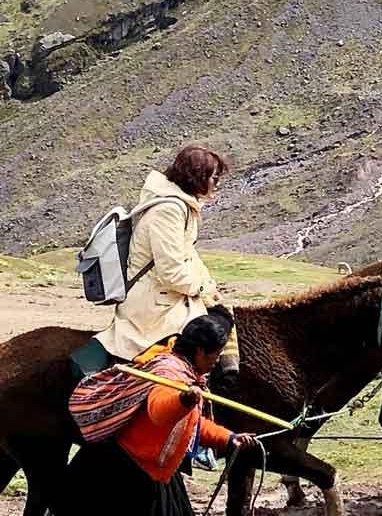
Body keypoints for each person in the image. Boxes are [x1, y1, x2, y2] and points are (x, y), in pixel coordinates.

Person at [60, 307, 254, 515]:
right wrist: (183, 399)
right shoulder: (170, 374)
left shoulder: (187, 373)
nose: (218, 360)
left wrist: (229, 438)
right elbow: (159, 411)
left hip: (152, 474)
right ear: (200, 351)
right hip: (119, 476)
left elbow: (190, 423)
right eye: (216, 354)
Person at [97, 145, 238, 383]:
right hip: (153, 301)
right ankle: (186, 391)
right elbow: (170, 271)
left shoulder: (180, 205)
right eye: (214, 178)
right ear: (198, 177)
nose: (217, 184)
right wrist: (202, 290)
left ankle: (228, 376)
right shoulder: (168, 210)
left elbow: (186, 255)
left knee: (224, 313)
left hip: (161, 292)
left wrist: (208, 286)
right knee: (206, 332)